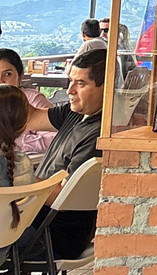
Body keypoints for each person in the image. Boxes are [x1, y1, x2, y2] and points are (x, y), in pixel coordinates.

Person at [19, 49, 106, 262]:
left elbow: (64, 197)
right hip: (33, 221)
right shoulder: (75, 113)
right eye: (70, 81)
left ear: (105, 87)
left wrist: (18, 174)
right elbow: (29, 118)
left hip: (53, 236)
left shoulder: (98, 136)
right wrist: (10, 87)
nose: (70, 90)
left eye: (81, 83)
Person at [0, 49, 55, 156]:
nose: (1, 80)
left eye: (7, 74)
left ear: (20, 76)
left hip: (30, 162)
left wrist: (14, 141)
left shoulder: (32, 100)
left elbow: (55, 138)